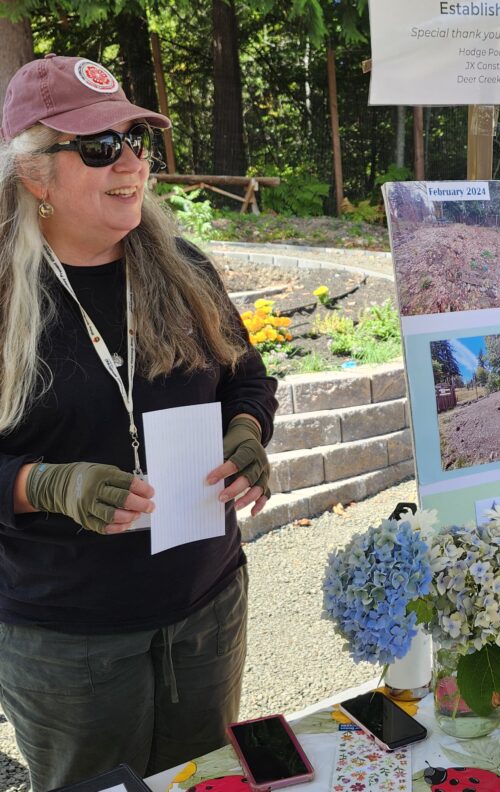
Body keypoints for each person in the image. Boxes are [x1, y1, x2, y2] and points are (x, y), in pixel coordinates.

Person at [0, 54, 278, 790]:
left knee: (206, 780)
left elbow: (246, 377)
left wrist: (247, 432)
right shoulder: (5, 295)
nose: (129, 161)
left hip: (207, 609)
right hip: (69, 644)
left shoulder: (181, 266)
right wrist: (43, 484)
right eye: (98, 147)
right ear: (34, 175)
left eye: (134, 139)